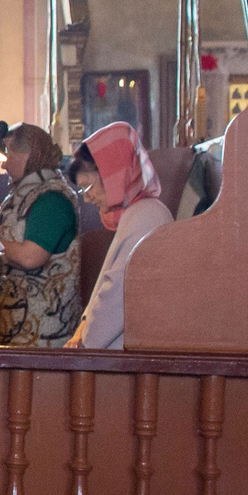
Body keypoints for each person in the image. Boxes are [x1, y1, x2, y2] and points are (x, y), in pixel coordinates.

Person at [66, 122, 171, 352]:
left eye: (88, 187)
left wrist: (85, 343)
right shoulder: (139, 213)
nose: (87, 198)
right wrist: (83, 328)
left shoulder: (145, 216)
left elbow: (117, 295)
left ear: (113, 173)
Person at [0, 123, 81, 348]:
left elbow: (30, 257)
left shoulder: (52, 199)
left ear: (27, 154)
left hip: (42, 333)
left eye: (8, 153)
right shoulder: (24, 194)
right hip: (15, 325)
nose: (3, 164)